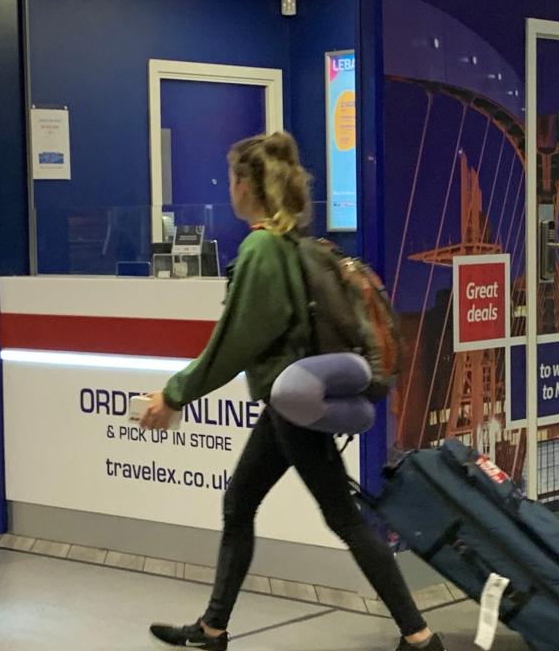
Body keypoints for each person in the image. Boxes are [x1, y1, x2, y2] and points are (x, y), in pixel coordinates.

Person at [141, 132, 445, 651]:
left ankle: (419, 636)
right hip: (288, 400)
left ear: (248, 186)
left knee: (341, 517)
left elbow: (232, 343)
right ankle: (213, 629)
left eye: (234, 177)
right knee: (241, 502)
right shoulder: (286, 243)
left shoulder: (261, 249)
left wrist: (173, 394)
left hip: (292, 407)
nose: (229, 187)